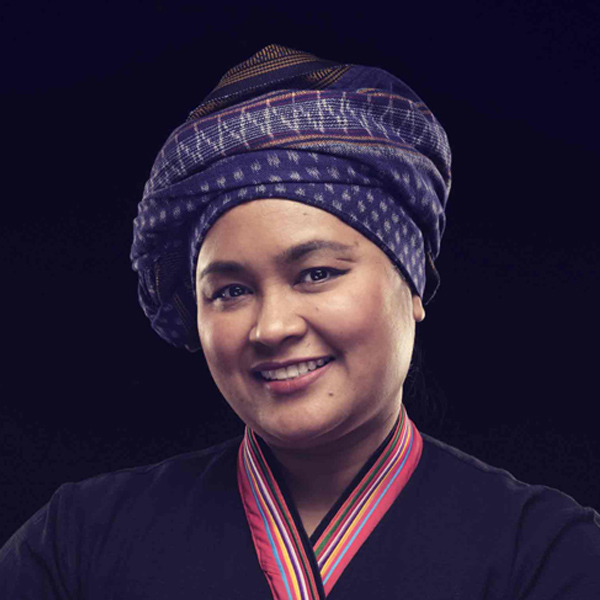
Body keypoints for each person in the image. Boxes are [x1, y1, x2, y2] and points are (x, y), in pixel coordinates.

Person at [1, 43, 599, 599]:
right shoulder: (77, 543)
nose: (271, 328)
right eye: (230, 291)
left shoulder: (550, 555)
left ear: (412, 282)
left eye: (316, 273)